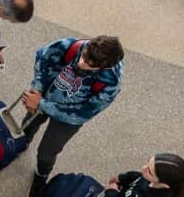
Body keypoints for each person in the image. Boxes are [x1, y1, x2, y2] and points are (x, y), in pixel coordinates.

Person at [23, 36, 125, 197]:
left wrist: (41, 104)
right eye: (84, 56)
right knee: (27, 125)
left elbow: (83, 112)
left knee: (46, 152)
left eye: (90, 65)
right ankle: (23, 142)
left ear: (104, 66)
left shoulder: (111, 81)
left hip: (69, 117)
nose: (82, 63)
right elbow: (43, 58)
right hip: (44, 95)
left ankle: (41, 176)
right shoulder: (70, 46)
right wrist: (37, 90)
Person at [103, 154, 184, 197]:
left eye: (149, 171)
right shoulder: (153, 180)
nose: (143, 168)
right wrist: (122, 178)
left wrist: (111, 192)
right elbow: (137, 176)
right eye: (148, 163)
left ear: (163, 185)